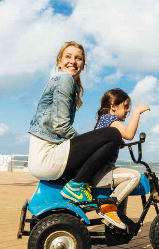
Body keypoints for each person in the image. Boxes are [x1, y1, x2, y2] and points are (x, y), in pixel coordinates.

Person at [28, 41, 122, 204]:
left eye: (78, 58)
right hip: (47, 157)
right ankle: (76, 186)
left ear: (83, 65)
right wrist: (91, 146)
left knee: (104, 141)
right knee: (113, 134)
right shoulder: (64, 79)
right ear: (59, 61)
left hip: (43, 156)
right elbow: (60, 125)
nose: (73, 61)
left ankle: (81, 185)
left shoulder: (63, 82)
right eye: (68, 57)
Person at [92, 88, 150, 229]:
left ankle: (120, 216)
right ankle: (108, 208)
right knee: (133, 176)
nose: (127, 111)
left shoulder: (103, 121)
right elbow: (129, 134)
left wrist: (118, 142)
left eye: (129, 109)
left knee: (123, 180)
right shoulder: (109, 119)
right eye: (125, 107)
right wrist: (137, 112)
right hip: (101, 173)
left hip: (99, 171)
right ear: (113, 107)